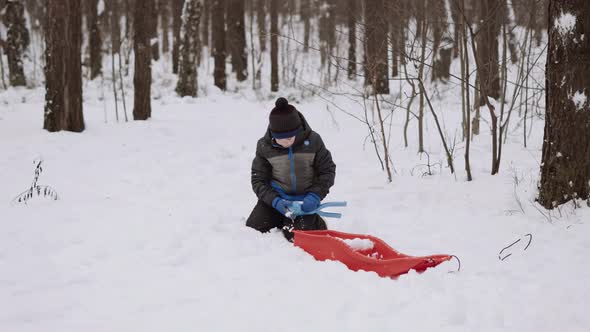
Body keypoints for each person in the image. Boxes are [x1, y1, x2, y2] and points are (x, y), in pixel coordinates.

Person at [246, 97, 336, 241]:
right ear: (274, 135)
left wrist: (315, 195)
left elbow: (327, 171)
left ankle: (316, 222)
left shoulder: (313, 141)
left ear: (298, 130)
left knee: (297, 236)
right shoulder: (264, 146)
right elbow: (258, 179)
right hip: (276, 200)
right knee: (254, 229)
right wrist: (275, 201)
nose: (287, 142)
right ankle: (281, 218)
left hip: (304, 201)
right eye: (282, 138)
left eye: (290, 137)